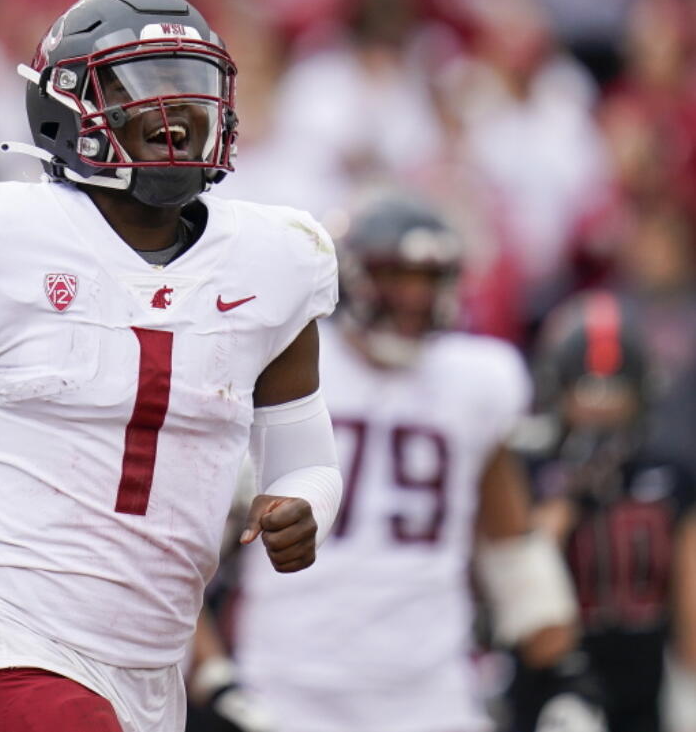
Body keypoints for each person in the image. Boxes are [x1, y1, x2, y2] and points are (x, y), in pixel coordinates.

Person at [0, 0, 344, 732]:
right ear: (66, 107)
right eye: (146, 85)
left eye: (192, 85)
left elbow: (306, 458)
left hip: (154, 669)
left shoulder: (275, 258)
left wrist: (302, 506)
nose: (179, 111)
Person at [227, 194, 584, 732]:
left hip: (429, 690)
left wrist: (564, 674)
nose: (414, 297)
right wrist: (211, 673)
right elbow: (202, 534)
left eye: (428, 278)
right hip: (288, 687)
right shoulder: (285, 360)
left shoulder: (476, 380)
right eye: (396, 276)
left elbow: (512, 543)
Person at [510, 291, 696, 732]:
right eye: (587, 390)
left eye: (616, 391)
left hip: (642, 680)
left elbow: (689, 591)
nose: (602, 406)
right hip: (547, 680)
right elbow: (511, 578)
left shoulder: (668, 472)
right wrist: (565, 504)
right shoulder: (528, 468)